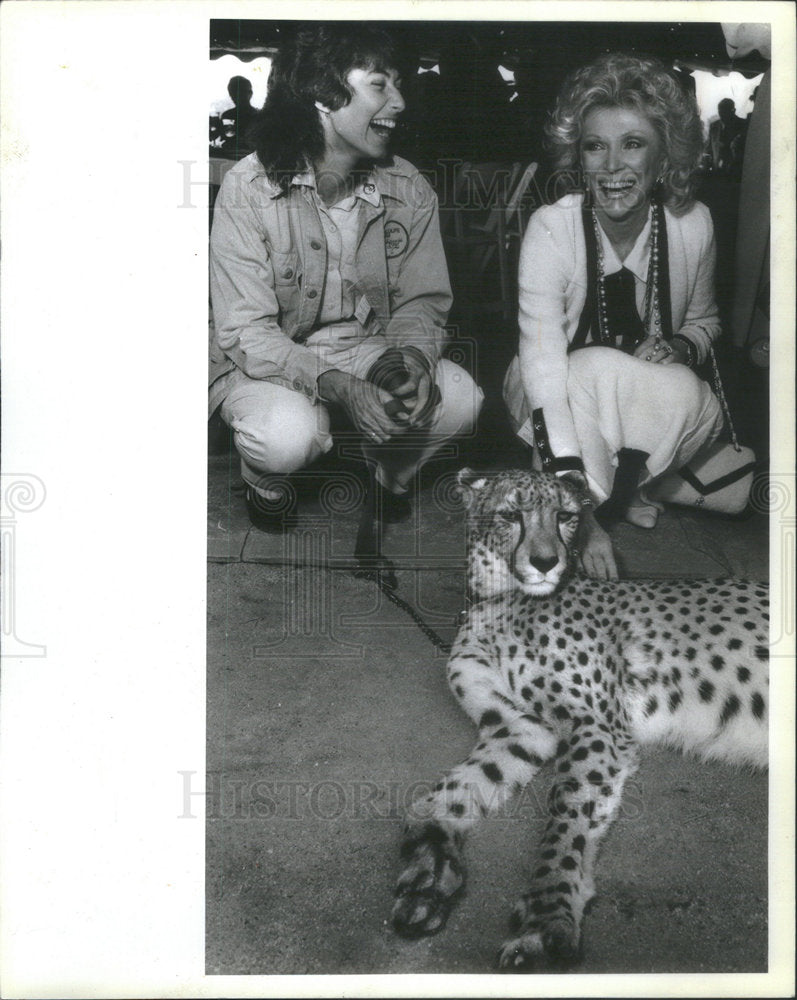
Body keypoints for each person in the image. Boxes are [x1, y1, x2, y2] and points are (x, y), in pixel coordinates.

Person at [209, 25, 483, 531]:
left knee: (460, 397)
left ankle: (392, 474)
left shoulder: (409, 188)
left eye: (398, 84)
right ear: (321, 94)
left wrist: (410, 361)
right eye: (380, 85)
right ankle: (265, 481)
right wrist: (337, 387)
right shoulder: (246, 188)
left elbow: (422, 302)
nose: (399, 102)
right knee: (287, 437)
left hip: (365, 344)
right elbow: (245, 330)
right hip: (269, 354)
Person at [503, 52, 725, 579]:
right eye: (595, 146)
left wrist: (682, 347)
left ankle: (619, 487)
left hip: (639, 398)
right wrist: (582, 526)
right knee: (585, 368)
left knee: (697, 397)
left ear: (664, 155)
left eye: (633, 144)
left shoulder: (694, 223)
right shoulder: (551, 227)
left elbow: (706, 321)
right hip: (552, 394)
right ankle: (590, 499)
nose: (612, 166)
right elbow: (542, 366)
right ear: (578, 156)